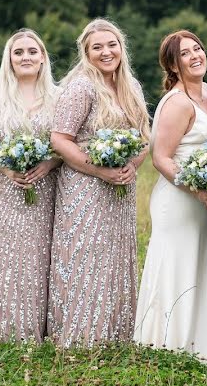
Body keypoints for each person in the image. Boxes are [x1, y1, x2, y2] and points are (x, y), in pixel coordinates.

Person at [134, 30, 207, 366]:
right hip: (179, 199)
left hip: (206, 198)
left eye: (198, 49)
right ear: (173, 66)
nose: (196, 56)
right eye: (185, 54)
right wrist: (197, 187)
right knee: (176, 265)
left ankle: (201, 344)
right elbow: (161, 157)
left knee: (202, 266)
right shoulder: (177, 102)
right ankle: (166, 344)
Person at [48, 18, 150, 348]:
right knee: (85, 255)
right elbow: (60, 140)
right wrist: (99, 170)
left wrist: (132, 165)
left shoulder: (130, 87)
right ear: (86, 53)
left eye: (112, 45)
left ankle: (117, 333)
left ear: (122, 48)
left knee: (116, 255)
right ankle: (82, 336)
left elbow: (144, 137)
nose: (106, 52)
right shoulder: (81, 88)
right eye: (97, 47)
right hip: (85, 186)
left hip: (122, 184)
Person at [0, 28, 62, 344]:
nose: (26, 57)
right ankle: (1, 333)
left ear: (43, 57)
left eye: (32, 51)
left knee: (38, 261)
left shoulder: (58, 98)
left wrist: (48, 164)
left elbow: (66, 144)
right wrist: (4, 167)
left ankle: (36, 331)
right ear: (9, 58)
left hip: (43, 190)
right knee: (3, 260)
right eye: (18, 52)